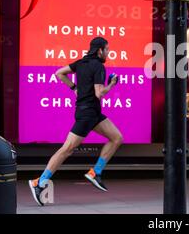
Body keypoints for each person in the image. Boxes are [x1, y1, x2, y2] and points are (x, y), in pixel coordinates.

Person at [29, 37, 123, 206]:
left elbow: (59, 73)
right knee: (67, 149)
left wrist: (74, 88)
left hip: (93, 114)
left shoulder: (81, 62)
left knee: (116, 137)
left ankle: (96, 172)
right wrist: (112, 84)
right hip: (87, 115)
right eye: (107, 49)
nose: (108, 53)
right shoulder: (98, 66)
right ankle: (39, 182)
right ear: (100, 50)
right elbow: (99, 93)